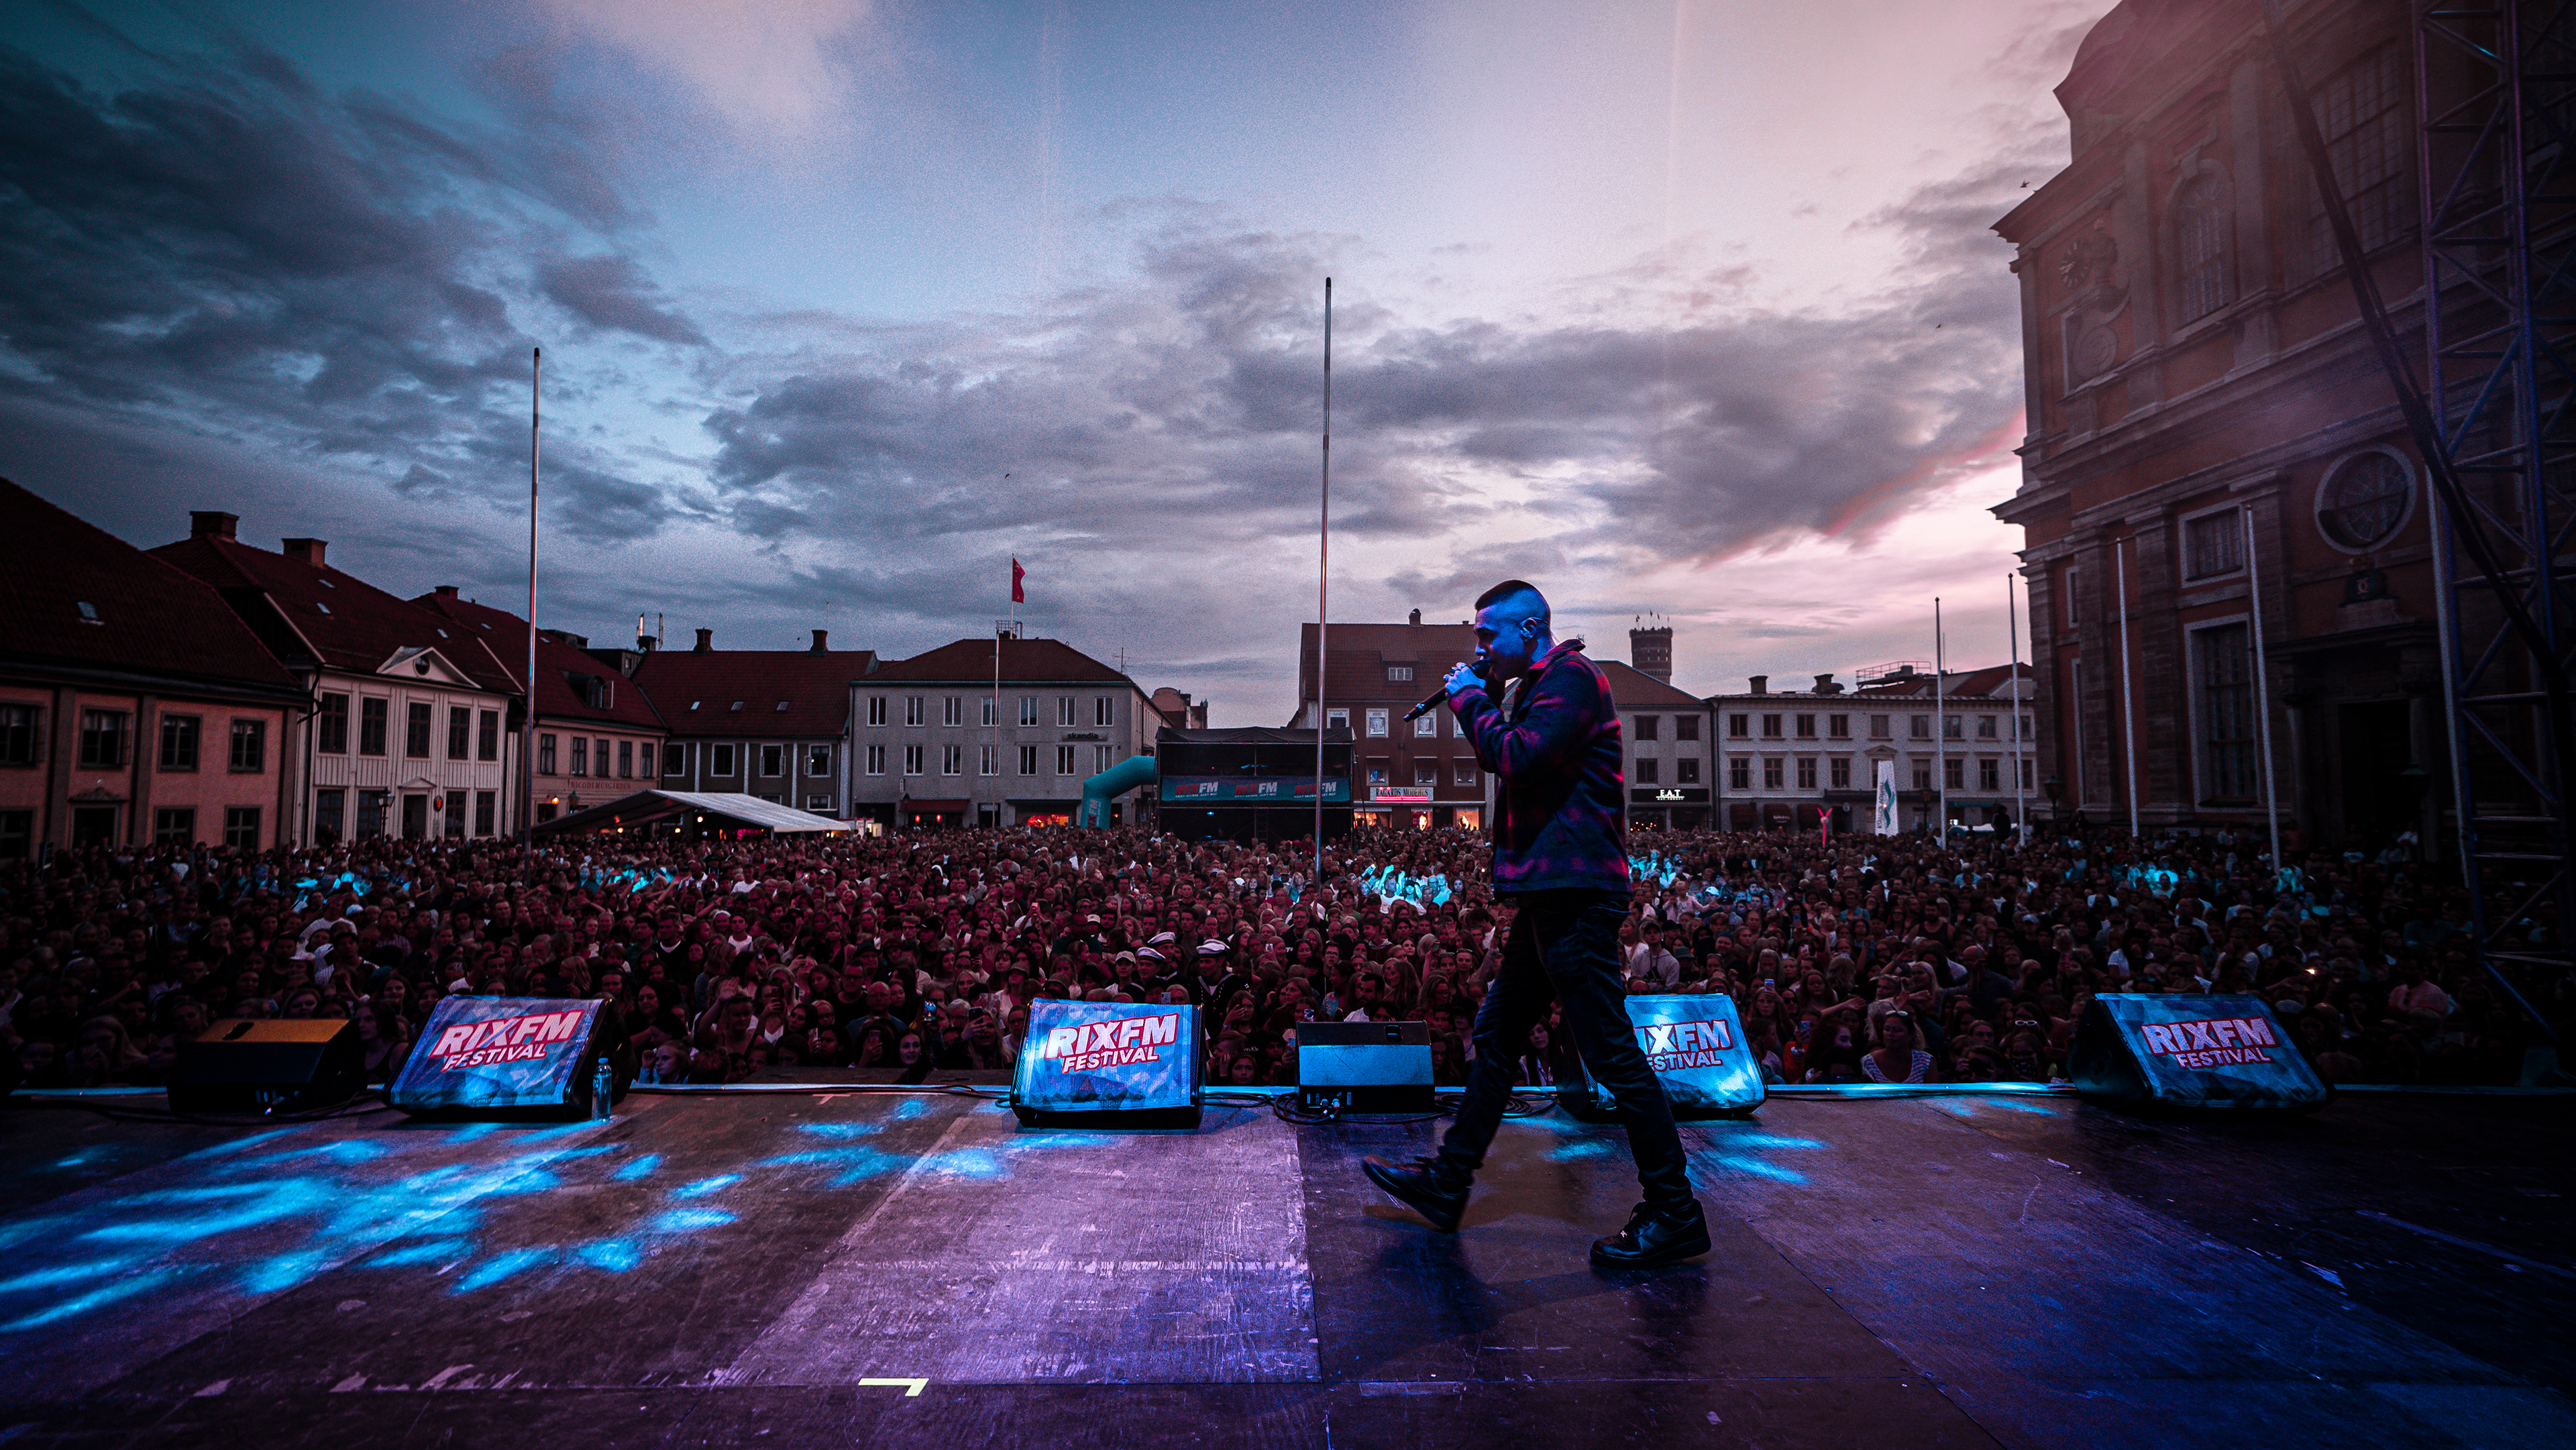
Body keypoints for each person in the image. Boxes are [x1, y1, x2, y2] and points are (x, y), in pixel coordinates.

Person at [1362, 579, 1709, 1270]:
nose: (1480, 648)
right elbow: (1518, 753)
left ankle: (1675, 1211)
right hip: (1552, 892)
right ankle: (1449, 1182)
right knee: (1496, 1035)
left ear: (1530, 629)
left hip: (1575, 893)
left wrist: (1468, 698)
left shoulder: (1573, 680)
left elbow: (1517, 757)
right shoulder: (1542, 685)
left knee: (1610, 1054)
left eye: (1489, 636)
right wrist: (1484, 699)